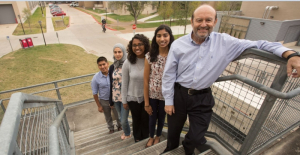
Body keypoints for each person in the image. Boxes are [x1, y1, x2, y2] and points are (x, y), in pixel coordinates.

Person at [162, 4, 300, 155]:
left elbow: (261, 44)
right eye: (199, 20)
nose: (203, 24)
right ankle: (170, 150)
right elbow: (169, 74)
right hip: (178, 95)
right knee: (173, 131)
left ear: (215, 21)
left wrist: (290, 54)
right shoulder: (178, 45)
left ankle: (187, 152)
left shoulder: (226, 43)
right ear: (192, 21)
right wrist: (168, 100)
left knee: (196, 137)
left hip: (202, 97)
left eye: (208, 20)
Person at [144, 25, 174, 148]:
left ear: (170, 37)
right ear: (155, 38)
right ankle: (151, 136)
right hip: (152, 95)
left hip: (166, 96)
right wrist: (146, 102)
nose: (162, 39)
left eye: (165, 35)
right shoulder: (150, 56)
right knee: (152, 118)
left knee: (162, 118)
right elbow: (145, 80)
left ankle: (158, 136)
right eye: (159, 35)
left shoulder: (174, 56)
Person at [122, 34, 150, 142]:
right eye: (134, 45)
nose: (137, 47)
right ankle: (137, 139)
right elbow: (124, 83)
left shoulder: (150, 60)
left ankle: (146, 139)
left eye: (140, 44)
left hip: (147, 98)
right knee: (136, 120)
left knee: (146, 120)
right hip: (132, 98)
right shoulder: (128, 62)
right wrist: (124, 101)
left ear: (145, 45)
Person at [91, 56, 122, 134]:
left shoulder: (114, 73)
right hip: (104, 101)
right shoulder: (95, 78)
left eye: (104, 64)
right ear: (98, 66)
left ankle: (120, 126)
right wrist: (99, 106)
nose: (102, 67)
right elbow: (95, 93)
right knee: (108, 116)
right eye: (100, 65)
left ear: (107, 64)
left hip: (115, 98)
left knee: (118, 114)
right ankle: (111, 128)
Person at [109, 43, 131, 140]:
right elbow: (111, 83)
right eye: (115, 52)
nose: (117, 54)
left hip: (125, 97)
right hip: (115, 97)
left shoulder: (128, 64)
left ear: (123, 52)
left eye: (119, 52)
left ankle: (127, 133)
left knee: (123, 119)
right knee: (120, 117)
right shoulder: (112, 67)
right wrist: (111, 99)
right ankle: (126, 131)